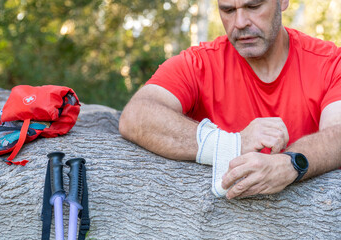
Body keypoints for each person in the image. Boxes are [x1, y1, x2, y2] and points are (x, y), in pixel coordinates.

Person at [118, 0, 341, 199]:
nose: (240, 22)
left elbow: (337, 135)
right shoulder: (200, 63)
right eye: (228, 10)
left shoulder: (330, 63)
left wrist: (291, 164)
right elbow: (136, 115)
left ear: (283, 2)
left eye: (253, 6)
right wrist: (232, 143)